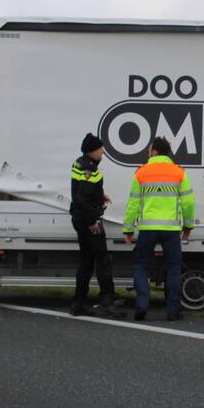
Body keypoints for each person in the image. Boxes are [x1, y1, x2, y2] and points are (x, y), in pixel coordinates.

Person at [123, 137, 195, 321]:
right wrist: (188, 226)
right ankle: (172, 311)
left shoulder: (141, 172)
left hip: (147, 228)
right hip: (171, 229)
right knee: (173, 268)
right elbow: (188, 202)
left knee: (140, 265)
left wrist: (128, 229)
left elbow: (133, 204)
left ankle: (142, 304)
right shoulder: (179, 172)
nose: (148, 152)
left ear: (154, 151)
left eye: (149, 150)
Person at [69, 133, 125, 318]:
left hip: (79, 218)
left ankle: (78, 303)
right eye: (101, 148)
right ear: (93, 150)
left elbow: (81, 190)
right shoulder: (90, 169)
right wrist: (94, 219)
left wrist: (100, 196)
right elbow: (82, 197)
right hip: (89, 220)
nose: (103, 152)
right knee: (103, 260)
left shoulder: (79, 163)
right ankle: (107, 302)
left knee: (86, 261)